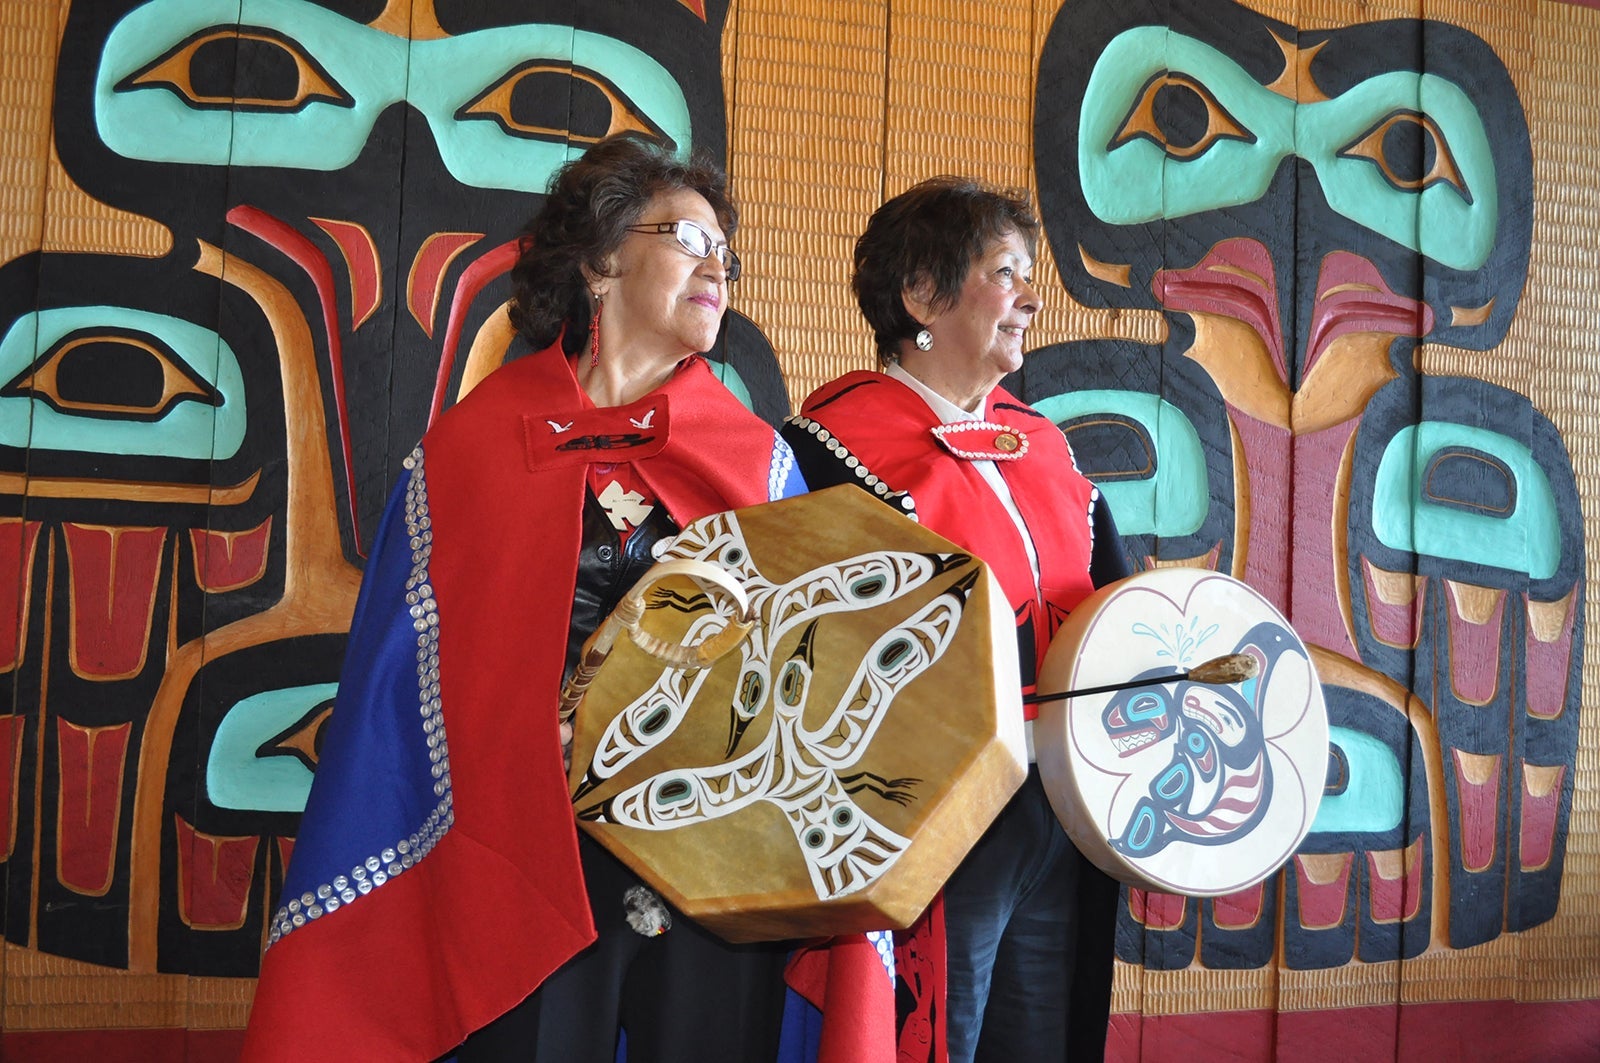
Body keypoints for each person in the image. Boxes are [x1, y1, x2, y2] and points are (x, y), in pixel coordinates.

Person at [243, 134, 804, 1063]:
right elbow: (403, 684)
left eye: (724, 252)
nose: (717, 268)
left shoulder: (759, 461)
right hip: (527, 857)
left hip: (716, 860)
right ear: (600, 262)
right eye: (687, 240)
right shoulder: (474, 447)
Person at [780, 177, 1130, 1063]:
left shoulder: (1047, 447)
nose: (1031, 297)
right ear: (922, 295)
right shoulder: (824, 451)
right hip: (934, 816)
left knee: (1040, 1041)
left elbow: (1112, 609)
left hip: (1062, 808)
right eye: (1006, 273)